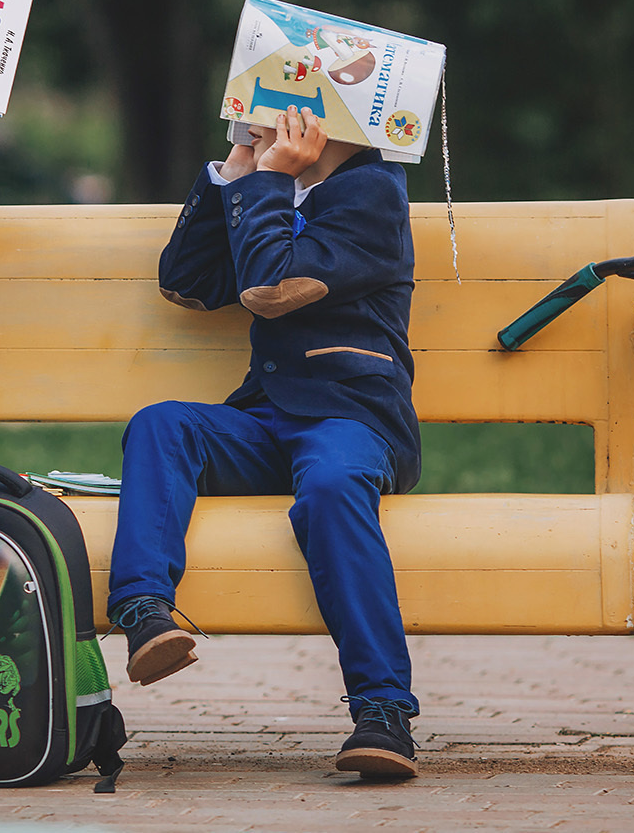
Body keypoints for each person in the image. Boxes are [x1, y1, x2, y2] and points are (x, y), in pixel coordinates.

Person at [107, 107, 422, 779]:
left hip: (351, 417)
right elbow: (187, 283)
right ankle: (144, 612)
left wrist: (274, 175)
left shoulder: (374, 193)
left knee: (333, 490)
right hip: (268, 416)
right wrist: (238, 170)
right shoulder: (269, 184)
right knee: (162, 423)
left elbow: (270, 287)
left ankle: (383, 708)